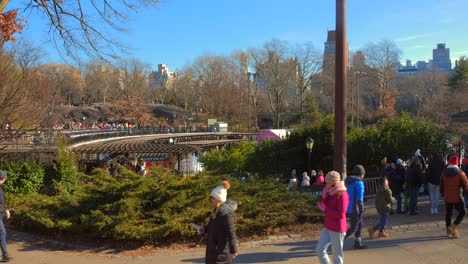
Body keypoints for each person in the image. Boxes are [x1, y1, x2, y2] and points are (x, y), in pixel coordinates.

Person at [316, 171, 349, 264]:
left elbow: (341, 214)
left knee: (337, 257)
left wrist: (326, 209)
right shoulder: (329, 191)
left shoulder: (342, 195)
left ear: (334, 183)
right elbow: (326, 205)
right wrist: (321, 200)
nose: (326, 185)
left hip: (338, 228)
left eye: (328, 183)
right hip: (328, 225)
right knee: (319, 250)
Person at [204, 181, 238, 263]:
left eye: (212, 197)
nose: (210, 199)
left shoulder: (226, 213)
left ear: (218, 199)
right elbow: (213, 226)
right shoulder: (216, 210)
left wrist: (233, 250)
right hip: (213, 251)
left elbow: (231, 232)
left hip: (221, 254)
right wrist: (204, 228)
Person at [440, 155, 468, 238]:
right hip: (457, 196)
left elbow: (441, 187)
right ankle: (454, 226)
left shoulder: (443, 173)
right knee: (463, 212)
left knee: (448, 214)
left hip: (447, 197)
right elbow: (465, 185)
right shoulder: (460, 173)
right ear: (456, 163)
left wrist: (443, 194)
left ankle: (448, 231)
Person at [344, 165, 367, 249]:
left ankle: (358, 242)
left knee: (359, 224)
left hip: (347, 207)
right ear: (361, 174)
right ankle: (337, 240)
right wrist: (361, 211)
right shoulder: (359, 183)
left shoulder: (347, 181)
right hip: (355, 209)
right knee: (354, 227)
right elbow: (359, 200)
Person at [0, 171, 11, 262]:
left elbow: (2, 201)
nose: (4, 180)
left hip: (1, 214)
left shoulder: (1, 187)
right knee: (2, 232)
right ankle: (5, 255)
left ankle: (5, 255)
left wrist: (6, 209)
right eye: (4, 178)